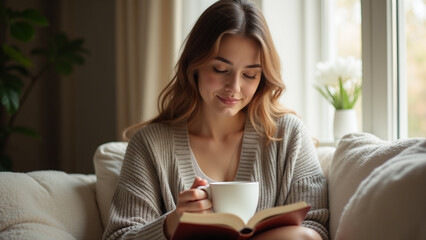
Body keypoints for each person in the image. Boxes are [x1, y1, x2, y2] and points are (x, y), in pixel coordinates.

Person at [103, 0, 329, 239]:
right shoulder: (149, 145)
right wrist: (171, 224)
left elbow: (315, 230)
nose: (234, 87)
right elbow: (118, 236)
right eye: (220, 70)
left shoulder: (289, 136)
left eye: (250, 74)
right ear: (194, 66)